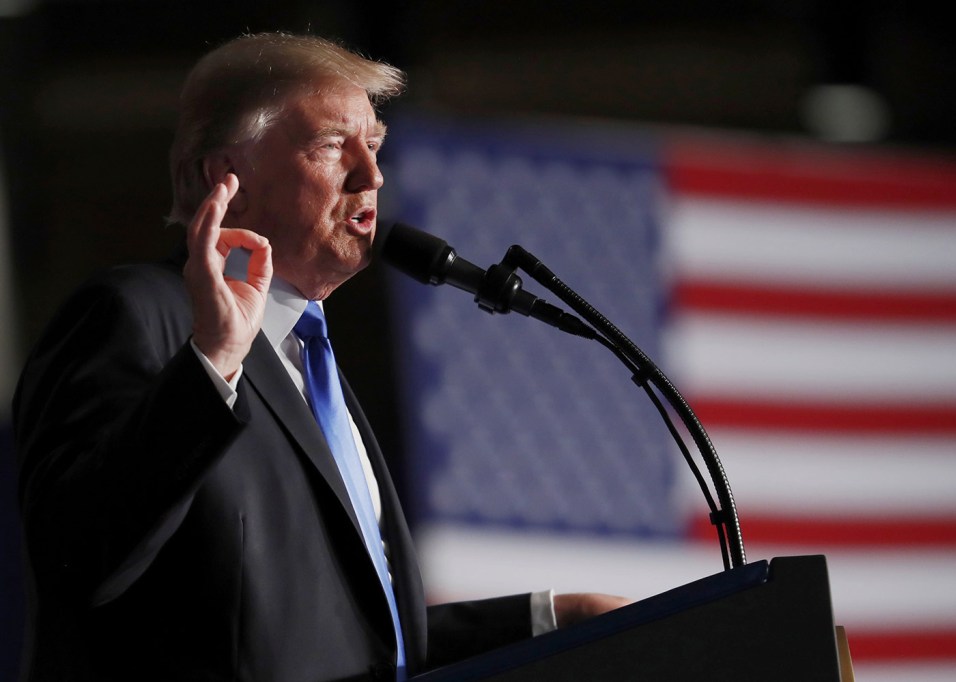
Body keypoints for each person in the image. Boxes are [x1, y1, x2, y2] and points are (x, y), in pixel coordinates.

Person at [12, 32, 626, 682]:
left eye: (376, 146)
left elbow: (332, 639)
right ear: (228, 182)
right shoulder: (138, 315)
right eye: (334, 145)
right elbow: (74, 559)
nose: (372, 175)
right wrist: (211, 361)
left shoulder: (307, 357)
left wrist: (551, 618)